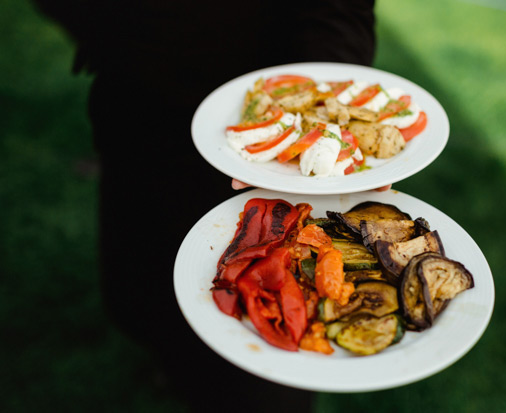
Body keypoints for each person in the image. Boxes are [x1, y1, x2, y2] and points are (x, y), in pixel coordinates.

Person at [32, 0, 377, 411]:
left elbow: (340, 11)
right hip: (136, 111)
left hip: (265, 149)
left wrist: (319, 122)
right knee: (140, 292)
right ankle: (172, 363)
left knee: (261, 388)